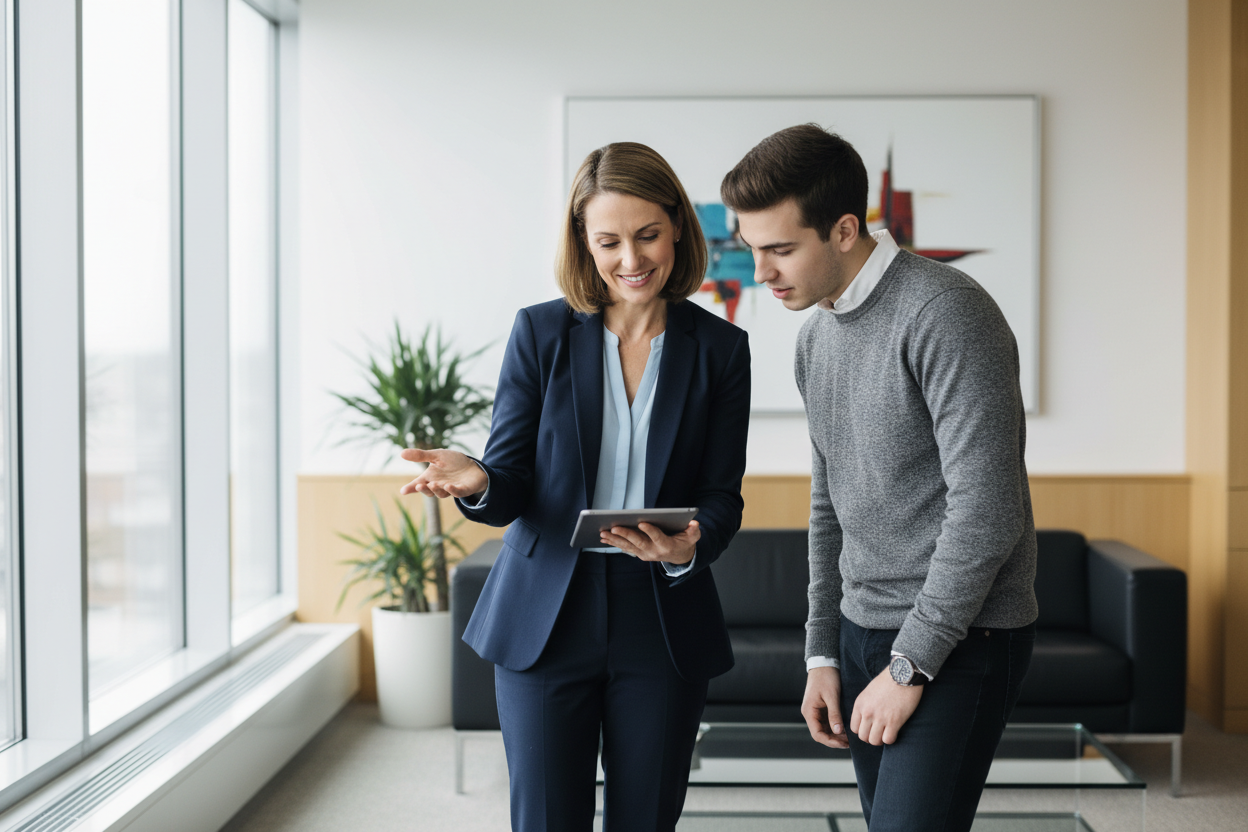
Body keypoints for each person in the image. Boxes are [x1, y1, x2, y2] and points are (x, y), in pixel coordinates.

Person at [399, 142, 751, 832]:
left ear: (679, 225)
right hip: (546, 615)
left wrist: (690, 543)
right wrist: (477, 480)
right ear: (583, 245)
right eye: (609, 241)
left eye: (648, 234)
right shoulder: (540, 332)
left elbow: (722, 494)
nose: (632, 259)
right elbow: (510, 486)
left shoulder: (720, 349)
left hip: (661, 616)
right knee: (546, 820)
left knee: (645, 819)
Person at [720, 124, 1037, 832]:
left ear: (841, 230)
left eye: (779, 250)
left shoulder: (946, 312)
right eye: (751, 250)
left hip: (962, 636)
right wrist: (822, 650)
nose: (761, 272)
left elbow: (988, 508)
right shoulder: (816, 338)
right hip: (863, 629)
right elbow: (828, 505)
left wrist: (909, 666)